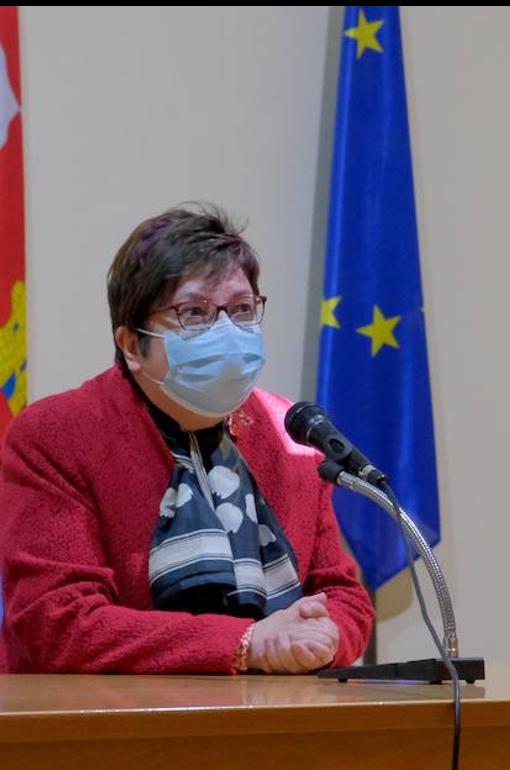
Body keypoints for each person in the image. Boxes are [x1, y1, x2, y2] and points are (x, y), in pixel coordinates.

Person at [0, 203, 374, 673]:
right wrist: (247, 642)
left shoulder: (288, 434)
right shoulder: (58, 434)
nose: (226, 331)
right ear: (133, 346)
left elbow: (343, 594)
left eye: (241, 309)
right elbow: (60, 623)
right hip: (108, 731)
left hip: (274, 725)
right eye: (194, 313)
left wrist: (324, 634)